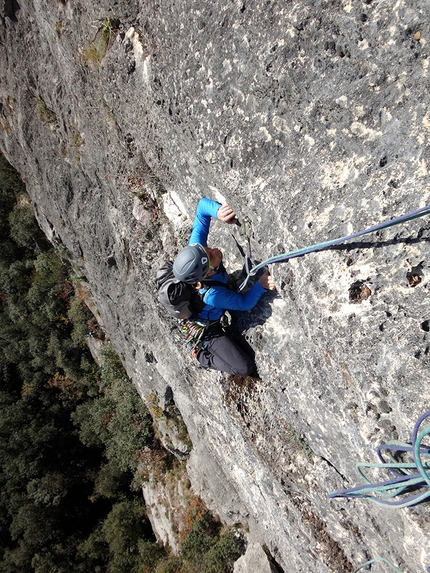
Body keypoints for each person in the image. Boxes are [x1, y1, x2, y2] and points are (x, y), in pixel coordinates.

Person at [172, 197, 276, 376]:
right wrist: (261, 285)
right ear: (208, 273)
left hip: (205, 310)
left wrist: (219, 212)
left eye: (207, 249)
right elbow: (244, 304)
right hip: (208, 332)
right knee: (244, 368)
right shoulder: (212, 294)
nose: (214, 249)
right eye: (211, 256)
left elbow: (202, 208)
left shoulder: (197, 252)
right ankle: (201, 357)